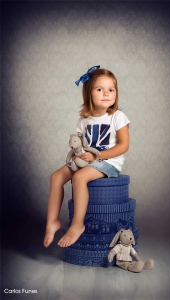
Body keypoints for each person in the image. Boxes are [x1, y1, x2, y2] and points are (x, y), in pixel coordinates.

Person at [43, 65, 130, 248]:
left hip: (108, 162)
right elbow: (80, 145)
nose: (106, 94)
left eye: (111, 89)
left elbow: (124, 145)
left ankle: (77, 224)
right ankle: (52, 222)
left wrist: (98, 157)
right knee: (56, 176)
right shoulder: (84, 119)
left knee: (79, 177)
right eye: (100, 89)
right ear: (88, 93)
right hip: (88, 161)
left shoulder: (117, 117)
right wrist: (78, 156)